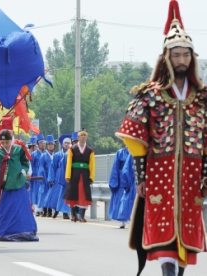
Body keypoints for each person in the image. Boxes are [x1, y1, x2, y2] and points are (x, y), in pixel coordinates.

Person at [115, 1, 207, 275]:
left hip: (191, 177)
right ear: (167, 57)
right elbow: (135, 139)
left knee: (187, 235)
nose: (181, 61)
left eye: (186, 55)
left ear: (192, 58)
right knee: (163, 233)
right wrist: (141, 177)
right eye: (176, 55)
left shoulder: (202, 99)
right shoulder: (151, 95)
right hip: (160, 174)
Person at [0, 129, 38, 241]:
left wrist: (24, 172)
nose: (5, 144)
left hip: (18, 182)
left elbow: (25, 162)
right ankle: (3, 231)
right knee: (4, 208)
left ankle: (23, 230)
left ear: (11, 140)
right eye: (3, 142)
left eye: (7, 142)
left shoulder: (18, 149)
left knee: (19, 208)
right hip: (3, 184)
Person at [63, 129, 95, 222]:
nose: (83, 137)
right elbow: (69, 163)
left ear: (87, 137)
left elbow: (92, 164)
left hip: (85, 174)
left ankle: (82, 215)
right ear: (78, 137)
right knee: (73, 193)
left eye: (85, 135)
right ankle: (73, 214)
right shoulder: (72, 149)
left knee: (84, 194)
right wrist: (68, 176)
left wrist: (91, 177)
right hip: (74, 174)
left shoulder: (90, 150)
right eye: (81, 135)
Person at [47, 134, 72, 219]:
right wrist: (51, 178)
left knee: (66, 194)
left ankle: (65, 212)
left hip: (67, 176)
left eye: (68, 143)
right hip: (58, 177)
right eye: (65, 143)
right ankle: (55, 210)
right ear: (62, 144)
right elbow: (52, 167)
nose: (67, 144)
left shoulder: (72, 154)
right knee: (56, 195)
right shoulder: (57, 155)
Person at [108, 146, 131, 228]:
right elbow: (115, 168)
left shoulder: (137, 151)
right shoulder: (120, 153)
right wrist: (114, 182)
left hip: (133, 179)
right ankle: (122, 220)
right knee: (122, 201)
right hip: (122, 180)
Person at [38, 135, 56, 217]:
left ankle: (50, 211)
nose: (50, 146)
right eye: (48, 144)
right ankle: (45, 211)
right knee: (45, 194)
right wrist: (42, 177)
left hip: (53, 177)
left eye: (51, 144)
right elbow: (41, 167)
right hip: (45, 177)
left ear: (54, 145)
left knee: (51, 194)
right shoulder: (43, 155)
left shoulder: (56, 155)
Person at [31, 134, 46, 216]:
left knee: (43, 191)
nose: (43, 144)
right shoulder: (34, 154)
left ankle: (43, 208)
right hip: (36, 174)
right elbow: (31, 165)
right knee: (36, 191)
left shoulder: (46, 153)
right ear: (38, 144)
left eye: (43, 143)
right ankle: (37, 209)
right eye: (41, 143)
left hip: (44, 174)